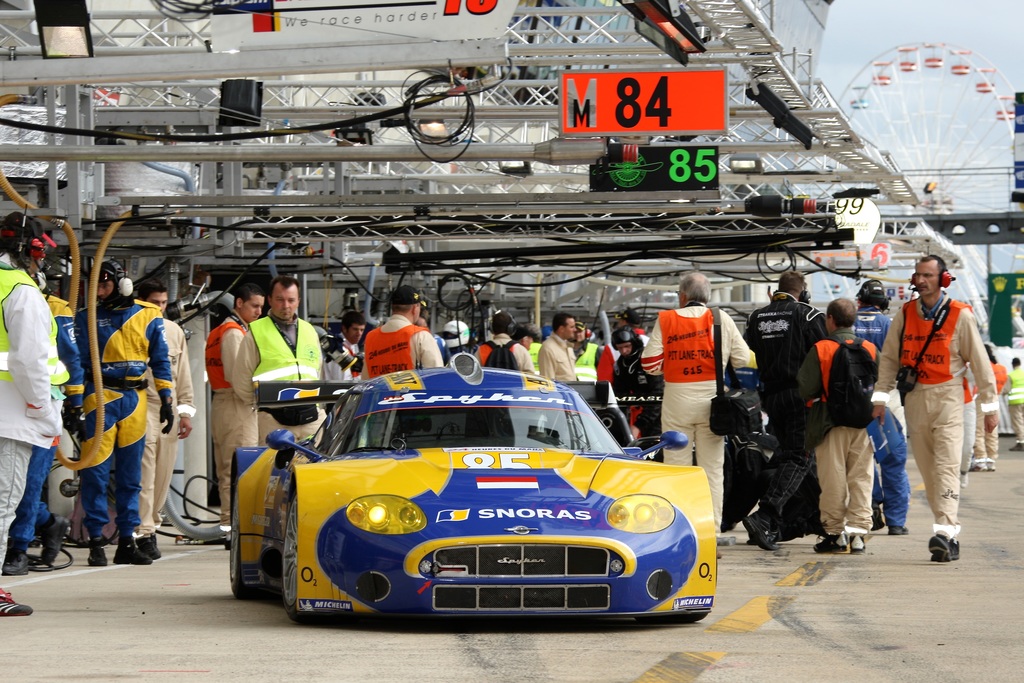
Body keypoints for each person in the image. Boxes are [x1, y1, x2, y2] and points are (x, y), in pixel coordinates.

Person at [872, 255, 998, 563]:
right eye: (918, 275)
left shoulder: (960, 315)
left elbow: (981, 365)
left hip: (948, 398)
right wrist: (879, 399)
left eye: (928, 275)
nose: (922, 280)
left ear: (943, 279)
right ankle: (945, 530)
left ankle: (945, 533)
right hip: (915, 399)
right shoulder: (904, 314)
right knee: (929, 471)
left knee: (946, 467)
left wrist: (990, 407)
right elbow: (889, 359)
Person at [76, 260, 173, 567]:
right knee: (95, 473)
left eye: (105, 286)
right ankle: (95, 541)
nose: (101, 293)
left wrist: (168, 399)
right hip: (98, 397)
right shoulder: (86, 317)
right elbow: (76, 361)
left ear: (121, 284)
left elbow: (161, 360)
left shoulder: (149, 315)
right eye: (97, 287)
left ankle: (127, 540)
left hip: (136, 398)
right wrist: (75, 404)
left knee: (132, 477)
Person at [642, 272, 751, 536]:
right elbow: (743, 359)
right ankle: (709, 533)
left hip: (676, 402)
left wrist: (676, 362)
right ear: (708, 296)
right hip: (712, 404)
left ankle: (676, 531)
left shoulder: (666, 320)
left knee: (675, 467)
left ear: (682, 296)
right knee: (712, 470)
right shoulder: (720, 319)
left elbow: (649, 364)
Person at [0, 212, 65, 614]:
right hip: (11, 417)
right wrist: (43, 409)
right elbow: (28, 362)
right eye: (41, 254)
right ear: (30, 251)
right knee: (3, 504)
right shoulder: (21, 292)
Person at [3, 275, 82, 576]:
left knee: (28, 485)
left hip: (43, 407)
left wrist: (75, 405)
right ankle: (50, 523)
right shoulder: (14, 298)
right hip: (18, 405)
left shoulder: (56, 309)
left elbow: (71, 360)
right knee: (13, 488)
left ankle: (19, 548)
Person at [742, 270, 827, 551]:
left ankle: (817, 518)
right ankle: (765, 515)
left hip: (771, 398)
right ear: (802, 292)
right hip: (800, 397)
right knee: (799, 457)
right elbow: (823, 353)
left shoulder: (756, 318)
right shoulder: (809, 315)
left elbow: (747, 353)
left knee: (796, 456)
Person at [797, 298, 877, 554]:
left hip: (829, 423)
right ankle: (859, 533)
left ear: (830, 319)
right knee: (861, 478)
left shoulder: (822, 348)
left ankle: (834, 533)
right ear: (852, 319)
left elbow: (806, 388)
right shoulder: (870, 348)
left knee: (833, 479)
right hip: (863, 425)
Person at [134, 280, 195, 561]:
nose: (159, 308)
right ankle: (144, 532)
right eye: (154, 303)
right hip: (139, 406)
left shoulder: (174, 331)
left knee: (162, 473)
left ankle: (152, 524)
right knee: (145, 472)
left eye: (163, 303)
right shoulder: (132, 327)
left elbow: (182, 375)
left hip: (167, 408)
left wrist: (186, 412)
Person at [231, 275, 324, 445]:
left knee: (314, 470)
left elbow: (317, 370)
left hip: (311, 419)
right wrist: (262, 407)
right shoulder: (257, 332)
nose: (286, 305)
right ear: (270, 300)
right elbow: (241, 380)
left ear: (298, 301)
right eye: (280, 299)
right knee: (275, 470)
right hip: (274, 421)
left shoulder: (310, 331)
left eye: (291, 300)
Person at [205, 283, 264, 532]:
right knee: (238, 467)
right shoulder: (233, 332)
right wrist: (254, 400)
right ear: (239, 303)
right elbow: (237, 375)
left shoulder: (221, 330)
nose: (259, 311)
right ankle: (233, 524)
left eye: (261, 306)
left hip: (224, 403)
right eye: (254, 306)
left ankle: (230, 523)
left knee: (228, 467)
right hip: (236, 402)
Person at [854, 279, 910, 536]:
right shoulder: (891, 324)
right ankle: (896, 522)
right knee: (893, 459)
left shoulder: (846, 322)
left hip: (855, 402)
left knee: (861, 458)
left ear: (860, 300)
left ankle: (871, 503)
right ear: (883, 303)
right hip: (888, 398)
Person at [362, 285, 444, 378]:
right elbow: (437, 376)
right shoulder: (421, 336)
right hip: (409, 392)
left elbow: (365, 379)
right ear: (415, 308)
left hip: (378, 392)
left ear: (393, 308)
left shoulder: (371, 337)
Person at [611, 327, 662, 439]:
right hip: (644, 407)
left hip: (662, 409)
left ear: (634, 343)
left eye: (627, 346)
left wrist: (639, 425)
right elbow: (619, 396)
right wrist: (621, 424)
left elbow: (658, 395)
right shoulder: (620, 365)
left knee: (654, 440)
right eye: (620, 348)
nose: (624, 351)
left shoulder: (648, 359)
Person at [971, 346, 1008, 471]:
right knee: (992, 430)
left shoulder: (981, 367)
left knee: (979, 430)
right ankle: (991, 460)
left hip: (982, 398)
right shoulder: (1001, 369)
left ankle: (980, 460)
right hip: (994, 398)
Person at [537, 312, 577, 382]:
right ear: (561, 329)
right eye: (571, 327)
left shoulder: (568, 347)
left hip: (571, 391)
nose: (575, 330)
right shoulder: (548, 348)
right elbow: (548, 380)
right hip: (561, 392)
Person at [338, 310, 365, 381]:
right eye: (355, 329)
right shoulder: (338, 350)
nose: (359, 333)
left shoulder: (353, 346)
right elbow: (343, 382)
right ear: (344, 329)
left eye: (361, 330)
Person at [1007, 357, 1024, 451]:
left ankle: (1021, 443)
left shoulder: (1011, 375)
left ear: (1013, 365)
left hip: (1015, 402)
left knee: (1018, 423)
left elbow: (1006, 389)